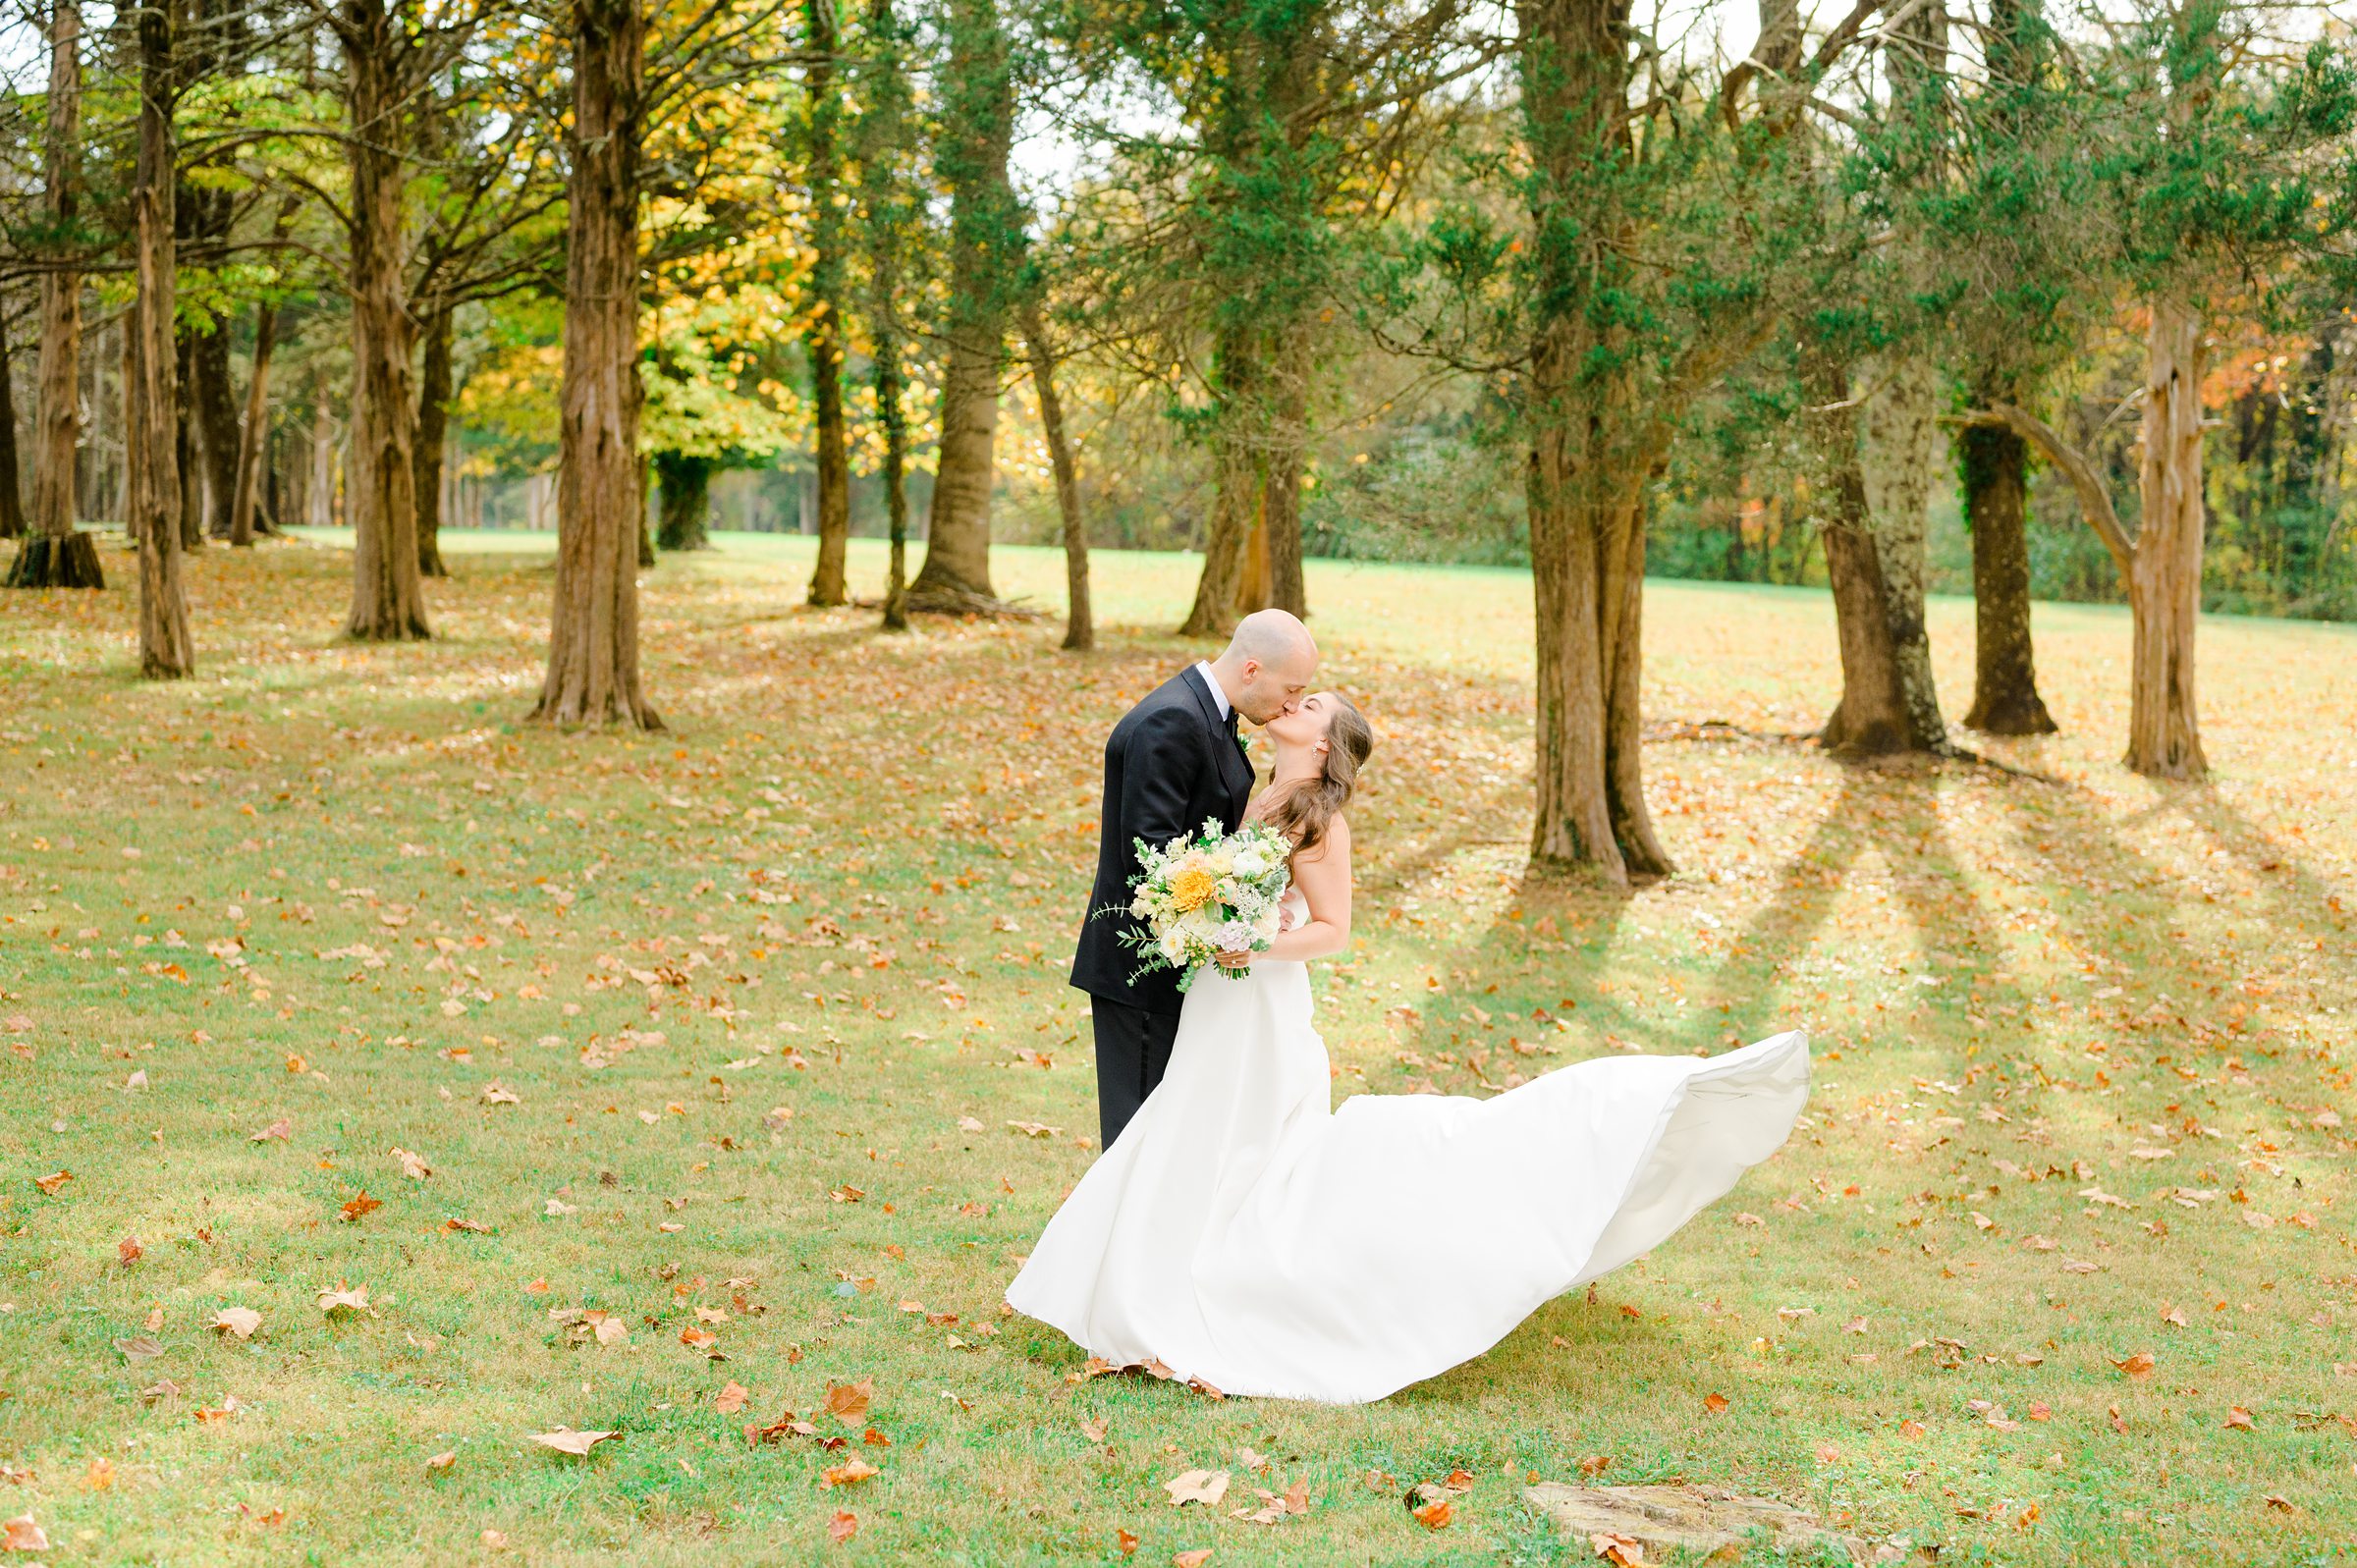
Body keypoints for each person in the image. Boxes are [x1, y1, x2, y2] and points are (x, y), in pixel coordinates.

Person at [1012, 688, 1811, 1404]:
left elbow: (1333, 930)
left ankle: (1218, 1290)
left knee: (1245, 1146)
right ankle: (1150, 1280)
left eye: (1312, 702)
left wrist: (1251, 943)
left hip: (1261, 1003)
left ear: (1323, 743)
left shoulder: (1322, 822)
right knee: (1197, 1137)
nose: (1297, 700)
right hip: (1223, 1001)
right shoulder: (1262, 793)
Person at [1069, 610, 1318, 1150]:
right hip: (1145, 969)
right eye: (1292, 689)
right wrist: (1240, 909)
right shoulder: (1174, 721)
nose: (1294, 704)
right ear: (1252, 669)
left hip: (1179, 966)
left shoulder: (1207, 713)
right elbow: (1151, 859)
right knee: (1137, 1140)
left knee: (1169, 1139)